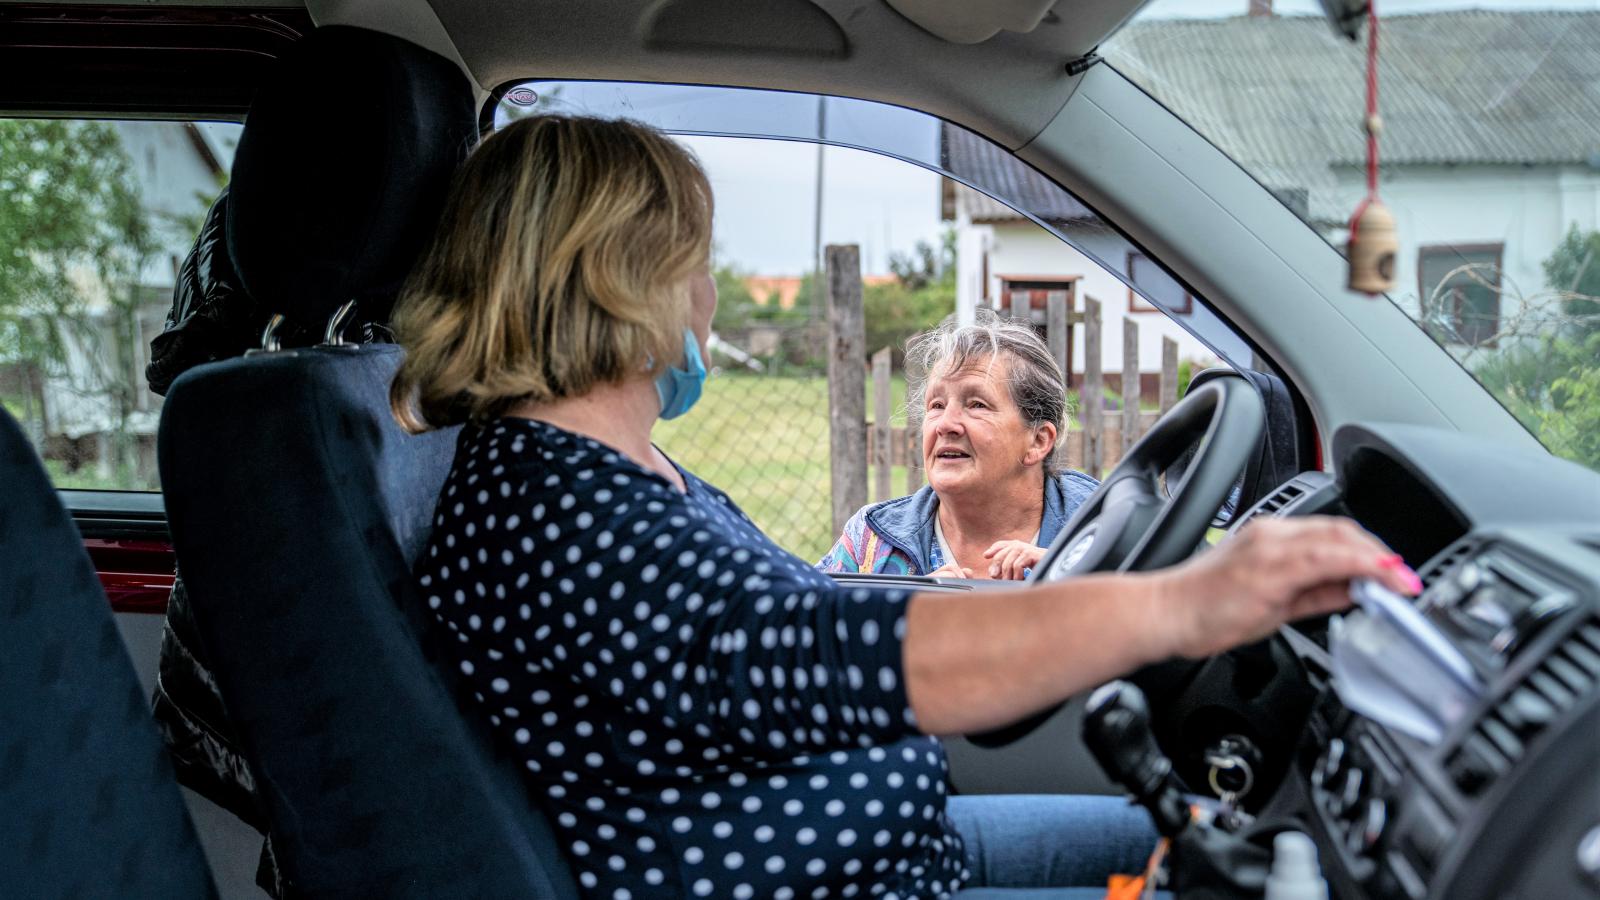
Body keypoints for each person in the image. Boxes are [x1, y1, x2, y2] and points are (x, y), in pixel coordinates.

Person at [390, 114, 1419, 900]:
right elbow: (808, 643)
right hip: (836, 882)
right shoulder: (558, 511)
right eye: (692, 260)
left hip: (885, 844)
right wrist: (1181, 605)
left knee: (1233, 840)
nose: (706, 293)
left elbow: (790, 620)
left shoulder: (600, 472)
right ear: (622, 279)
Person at [820, 312, 1096, 581]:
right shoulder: (871, 542)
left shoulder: (1105, 525)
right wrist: (904, 608)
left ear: (1038, 440)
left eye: (977, 404)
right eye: (936, 405)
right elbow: (803, 617)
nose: (945, 424)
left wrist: (1076, 580)